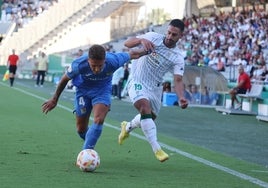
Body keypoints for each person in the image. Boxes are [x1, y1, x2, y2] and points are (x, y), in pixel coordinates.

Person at [42, 44, 146, 152]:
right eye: (93, 65)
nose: (96, 69)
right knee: (81, 129)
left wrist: (149, 49)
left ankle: (87, 153)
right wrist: (54, 99)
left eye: (100, 66)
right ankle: (90, 143)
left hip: (102, 91)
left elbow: (134, 53)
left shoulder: (114, 60)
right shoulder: (78, 64)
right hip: (83, 91)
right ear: (88, 60)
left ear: (105, 60)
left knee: (99, 119)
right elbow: (64, 79)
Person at [118, 19, 188, 162]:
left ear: (180, 36)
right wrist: (141, 40)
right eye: (168, 32)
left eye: (174, 35)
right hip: (137, 80)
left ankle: (128, 126)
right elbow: (127, 44)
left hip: (155, 88)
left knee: (149, 118)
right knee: (144, 108)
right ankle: (157, 149)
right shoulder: (152, 37)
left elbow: (178, 80)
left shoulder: (178, 57)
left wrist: (181, 97)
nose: (169, 36)